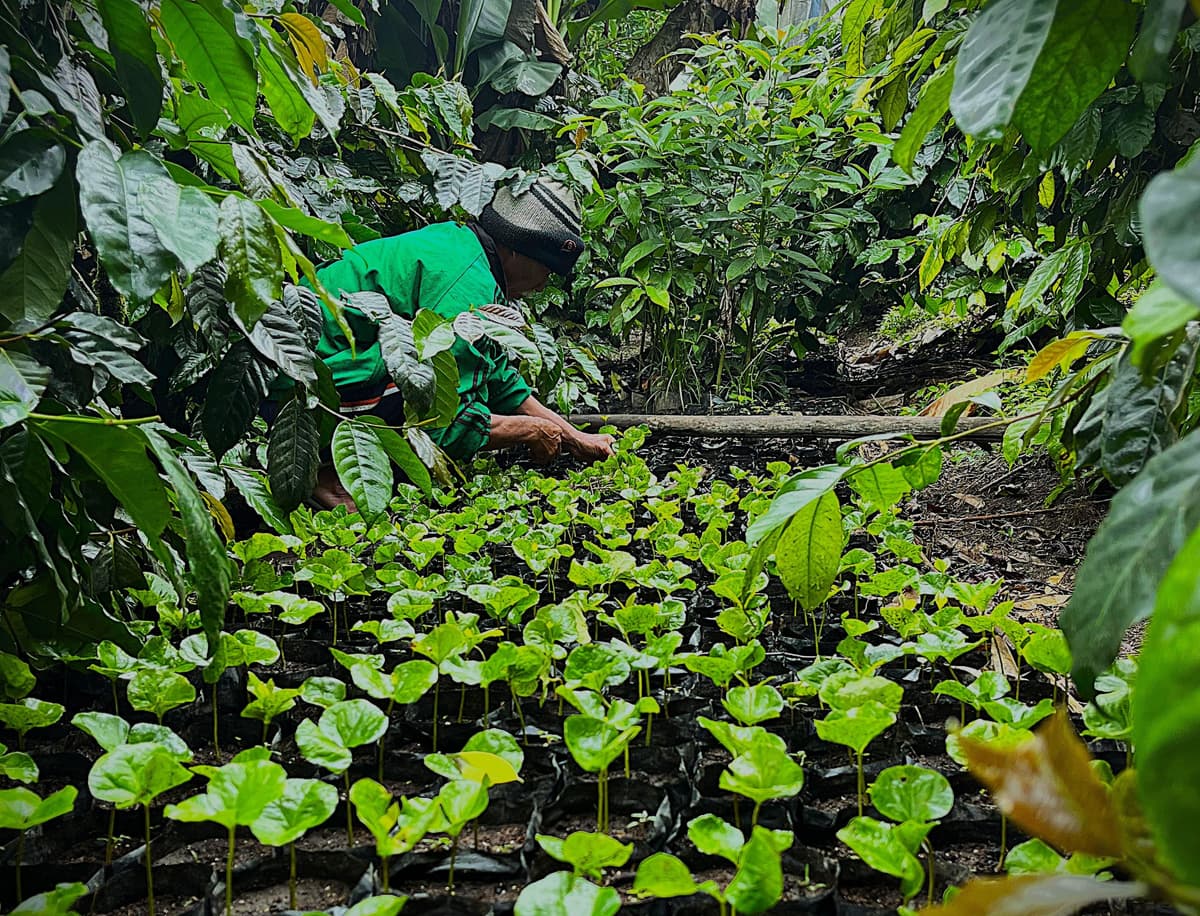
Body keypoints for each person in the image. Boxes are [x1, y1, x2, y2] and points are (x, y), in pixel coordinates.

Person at [305, 176, 615, 509]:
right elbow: (445, 419)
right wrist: (528, 430)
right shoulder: (467, 285)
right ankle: (328, 477)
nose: (542, 286)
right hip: (306, 384)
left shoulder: (465, 249)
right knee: (419, 383)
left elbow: (498, 379)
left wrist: (575, 437)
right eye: (546, 270)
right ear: (517, 250)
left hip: (322, 368)